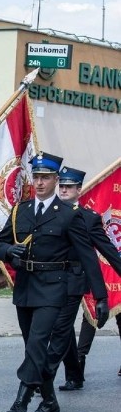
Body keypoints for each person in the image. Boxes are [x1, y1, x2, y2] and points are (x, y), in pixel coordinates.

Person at [0, 153, 107, 412]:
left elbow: (88, 257)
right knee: (33, 347)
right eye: (37, 177)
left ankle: (20, 404)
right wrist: (7, 251)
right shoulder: (22, 209)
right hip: (26, 286)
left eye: (46, 177)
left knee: (36, 345)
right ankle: (50, 400)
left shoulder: (70, 215)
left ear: (56, 180)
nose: (40, 182)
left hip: (54, 287)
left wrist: (100, 296)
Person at [51, 166, 119, 390]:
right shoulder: (48, 213)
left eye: (68, 187)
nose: (63, 190)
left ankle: (44, 380)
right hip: (50, 280)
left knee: (63, 326)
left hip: (76, 279)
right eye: (61, 186)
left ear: (79, 189)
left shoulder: (88, 218)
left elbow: (108, 250)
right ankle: (75, 372)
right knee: (63, 329)